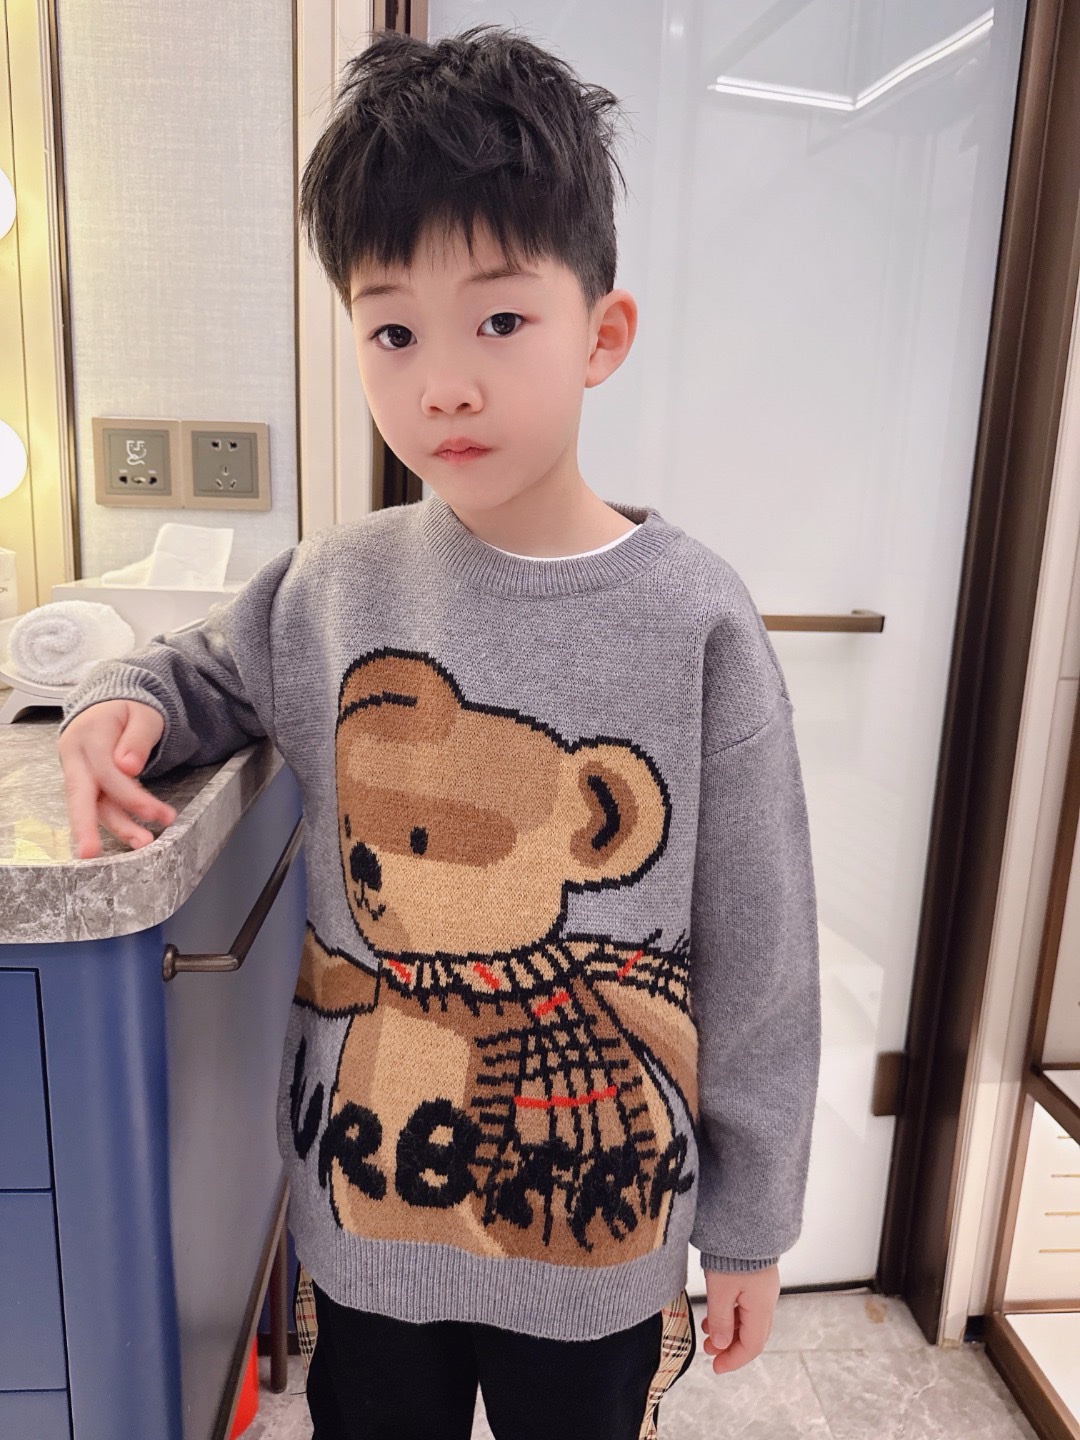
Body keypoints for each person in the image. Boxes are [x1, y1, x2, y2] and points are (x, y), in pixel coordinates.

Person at [56, 23, 820, 1440]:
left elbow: (761, 953)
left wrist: (753, 1224)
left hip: (594, 1237)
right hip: (370, 1223)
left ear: (601, 335)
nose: (443, 383)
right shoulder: (335, 584)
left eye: (500, 321)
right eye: (393, 330)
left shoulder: (695, 618)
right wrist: (119, 703)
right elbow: (201, 672)